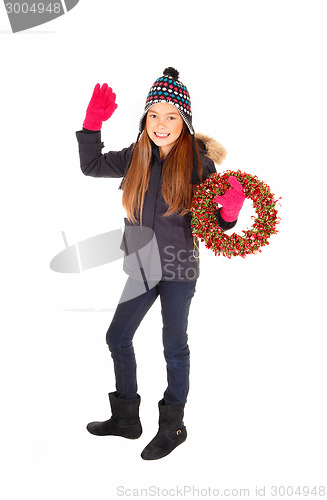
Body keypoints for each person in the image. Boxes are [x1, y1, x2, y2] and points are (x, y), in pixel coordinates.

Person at [75, 67, 245, 460]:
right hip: (141, 264)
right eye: (154, 115)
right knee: (117, 337)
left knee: (173, 347)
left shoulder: (199, 165)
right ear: (144, 119)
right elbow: (92, 166)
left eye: (171, 116)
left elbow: (218, 220)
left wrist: (231, 212)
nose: (161, 124)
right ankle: (126, 420)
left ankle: (173, 426)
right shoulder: (136, 156)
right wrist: (91, 125)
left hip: (179, 268)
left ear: (184, 122)